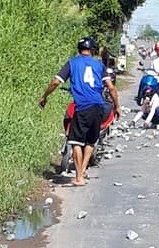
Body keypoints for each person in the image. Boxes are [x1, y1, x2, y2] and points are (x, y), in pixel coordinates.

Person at [39, 36, 121, 186]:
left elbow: (56, 81)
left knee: (75, 141)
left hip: (82, 106)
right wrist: (117, 106)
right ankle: (82, 170)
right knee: (91, 140)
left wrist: (44, 96)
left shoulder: (72, 63)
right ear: (92, 50)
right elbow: (112, 88)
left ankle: (79, 178)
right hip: (98, 106)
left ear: (79, 49)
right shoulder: (98, 65)